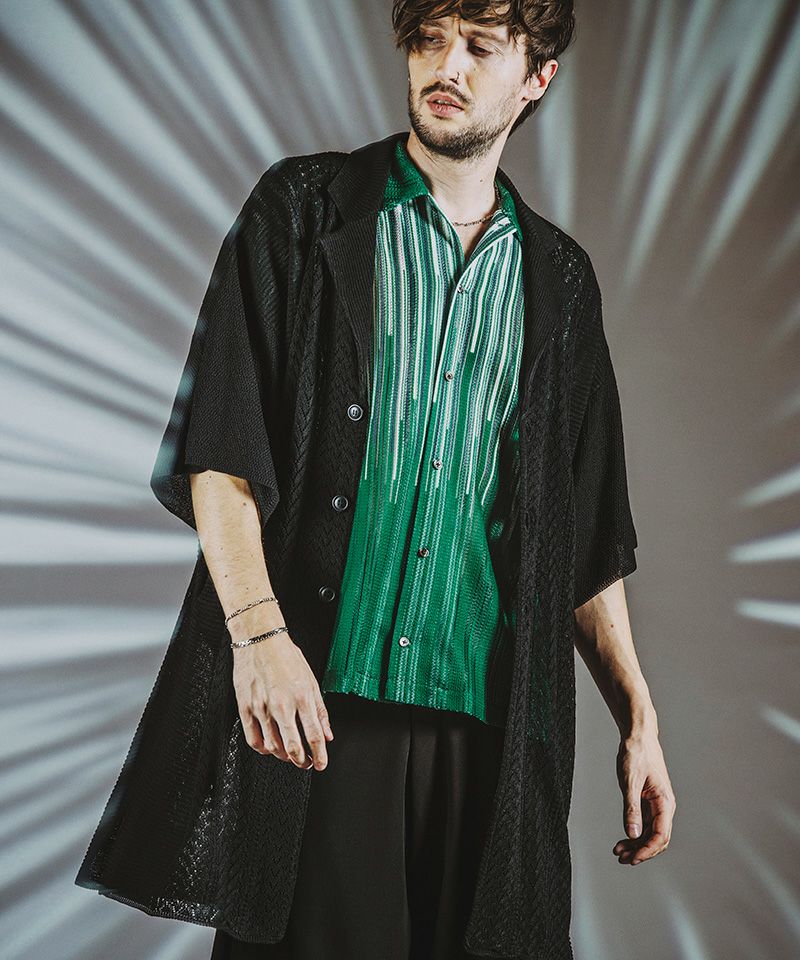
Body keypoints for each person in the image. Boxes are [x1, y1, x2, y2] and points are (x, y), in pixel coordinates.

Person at [75, 3, 677, 958]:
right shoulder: (302, 211)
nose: (446, 66)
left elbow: (586, 532)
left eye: (480, 47)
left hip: (487, 734)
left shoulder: (560, 280)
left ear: (537, 79)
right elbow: (223, 447)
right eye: (430, 39)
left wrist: (639, 720)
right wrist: (259, 640)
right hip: (316, 709)